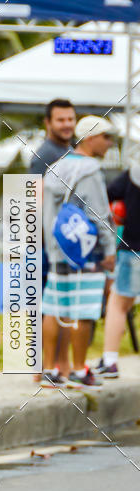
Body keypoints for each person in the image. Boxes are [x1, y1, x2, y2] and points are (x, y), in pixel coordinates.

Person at [42, 116, 117, 389]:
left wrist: (52, 245)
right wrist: (109, 249)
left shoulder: (55, 168)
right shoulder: (90, 170)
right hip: (86, 252)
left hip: (58, 248)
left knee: (53, 306)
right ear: (89, 138)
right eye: (106, 137)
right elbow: (100, 213)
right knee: (83, 309)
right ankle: (77, 370)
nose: (110, 143)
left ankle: (50, 371)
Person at [29, 99, 76, 387]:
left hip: (62, 242)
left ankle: (59, 365)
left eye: (71, 119)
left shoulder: (68, 151)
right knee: (48, 305)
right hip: (47, 242)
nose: (67, 124)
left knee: (61, 305)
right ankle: (45, 367)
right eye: (61, 120)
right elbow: (35, 197)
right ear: (48, 123)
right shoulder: (45, 154)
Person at [96, 156, 140, 377]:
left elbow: (107, 194)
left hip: (133, 248)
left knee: (118, 303)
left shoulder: (133, 174)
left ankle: (110, 361)